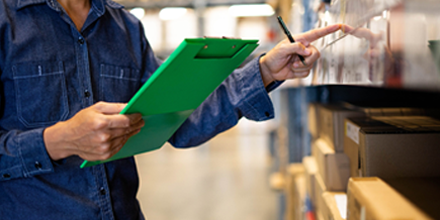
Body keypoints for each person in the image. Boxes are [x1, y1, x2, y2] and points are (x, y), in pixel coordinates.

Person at [0, 0, 341, 218]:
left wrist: (265, 71)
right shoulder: (7, 21)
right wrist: (56, 141)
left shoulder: (125, 28)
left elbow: (179, 119)